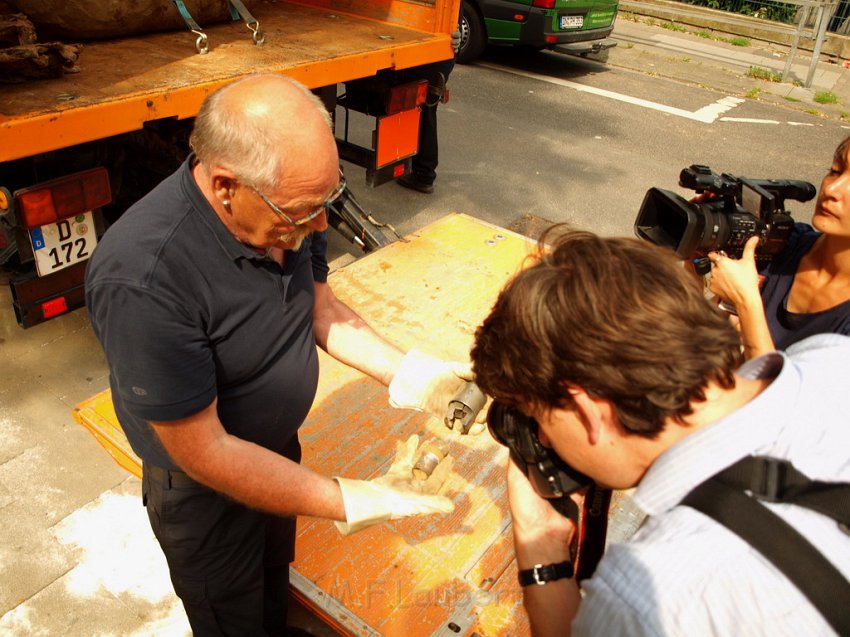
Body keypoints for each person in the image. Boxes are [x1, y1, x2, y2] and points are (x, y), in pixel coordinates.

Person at [85, 73, 472, 636]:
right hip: (206, 494)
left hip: (276, 453)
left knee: (273, 588)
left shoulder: (289, 202)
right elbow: (206, 452)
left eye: (325, 203)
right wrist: (352, 498)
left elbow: (321, 310)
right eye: (302, 214)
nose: (319, 227)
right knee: (232, 618)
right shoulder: (146, 277)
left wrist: (418, 377)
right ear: (225, 186)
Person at [470, 226, 850, 636]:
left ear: (588, 411)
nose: (542, 440)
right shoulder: (832, 358)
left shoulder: (649, 600)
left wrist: (540, 545)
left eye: (540, 419)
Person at [707, 134, 850, 359]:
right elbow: (702, 339)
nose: (832, 190)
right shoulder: (781, 243)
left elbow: (781, 392)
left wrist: (746, 302)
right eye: (835, 171)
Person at [395, 24, 461, 194]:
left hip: (433, 51)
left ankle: (424, 174)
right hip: (439, 51)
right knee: (425, 110)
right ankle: (419, 168)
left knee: (425, 111)